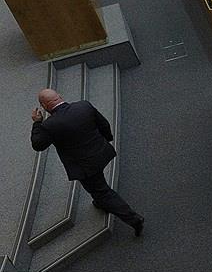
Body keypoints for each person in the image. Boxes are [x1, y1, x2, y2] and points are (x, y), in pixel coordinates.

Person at [30, 89, 144, 236]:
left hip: (85, 166)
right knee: (98, 186)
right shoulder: (84, 106)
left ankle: (134, 219)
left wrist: (37, 123)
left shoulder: (49, 125)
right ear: (60, 97)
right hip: (101, 152)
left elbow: (38, 145)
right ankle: (99, 201)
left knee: (102, 192)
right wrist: (105, 141)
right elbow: (104, 124)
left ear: (44, 106)